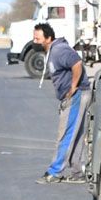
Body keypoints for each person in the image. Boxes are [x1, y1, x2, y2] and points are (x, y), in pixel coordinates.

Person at [33, 22, 90, 185]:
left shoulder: (59, 50)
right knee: (76, 135)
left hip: (77, 95)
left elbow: (77, 63)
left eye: (38, 39)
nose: (35, 42)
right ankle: (78, 172)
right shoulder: (53, 50)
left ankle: (55, 171)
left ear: (48, 38)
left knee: (66, 134)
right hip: (73, 97)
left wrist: (73, 86)